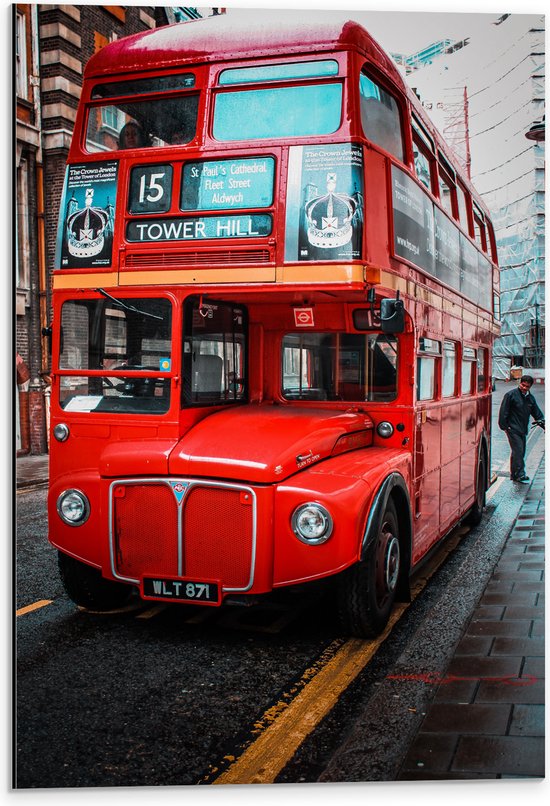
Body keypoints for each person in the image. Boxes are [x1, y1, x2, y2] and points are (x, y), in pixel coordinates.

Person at [498, 374, 544, 483]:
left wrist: (543, 423)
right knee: (518, 450)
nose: (524, 388)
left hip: (522, 429)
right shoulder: (510, 395)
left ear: (530, 387)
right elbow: (504, 411)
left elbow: (537, 413)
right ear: (520, 383)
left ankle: (514, 474)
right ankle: (520, 474)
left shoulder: (530, 399)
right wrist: (504, 426)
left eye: (527, 386)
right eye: (523, 385)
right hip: (512, 428)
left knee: (520, 451)